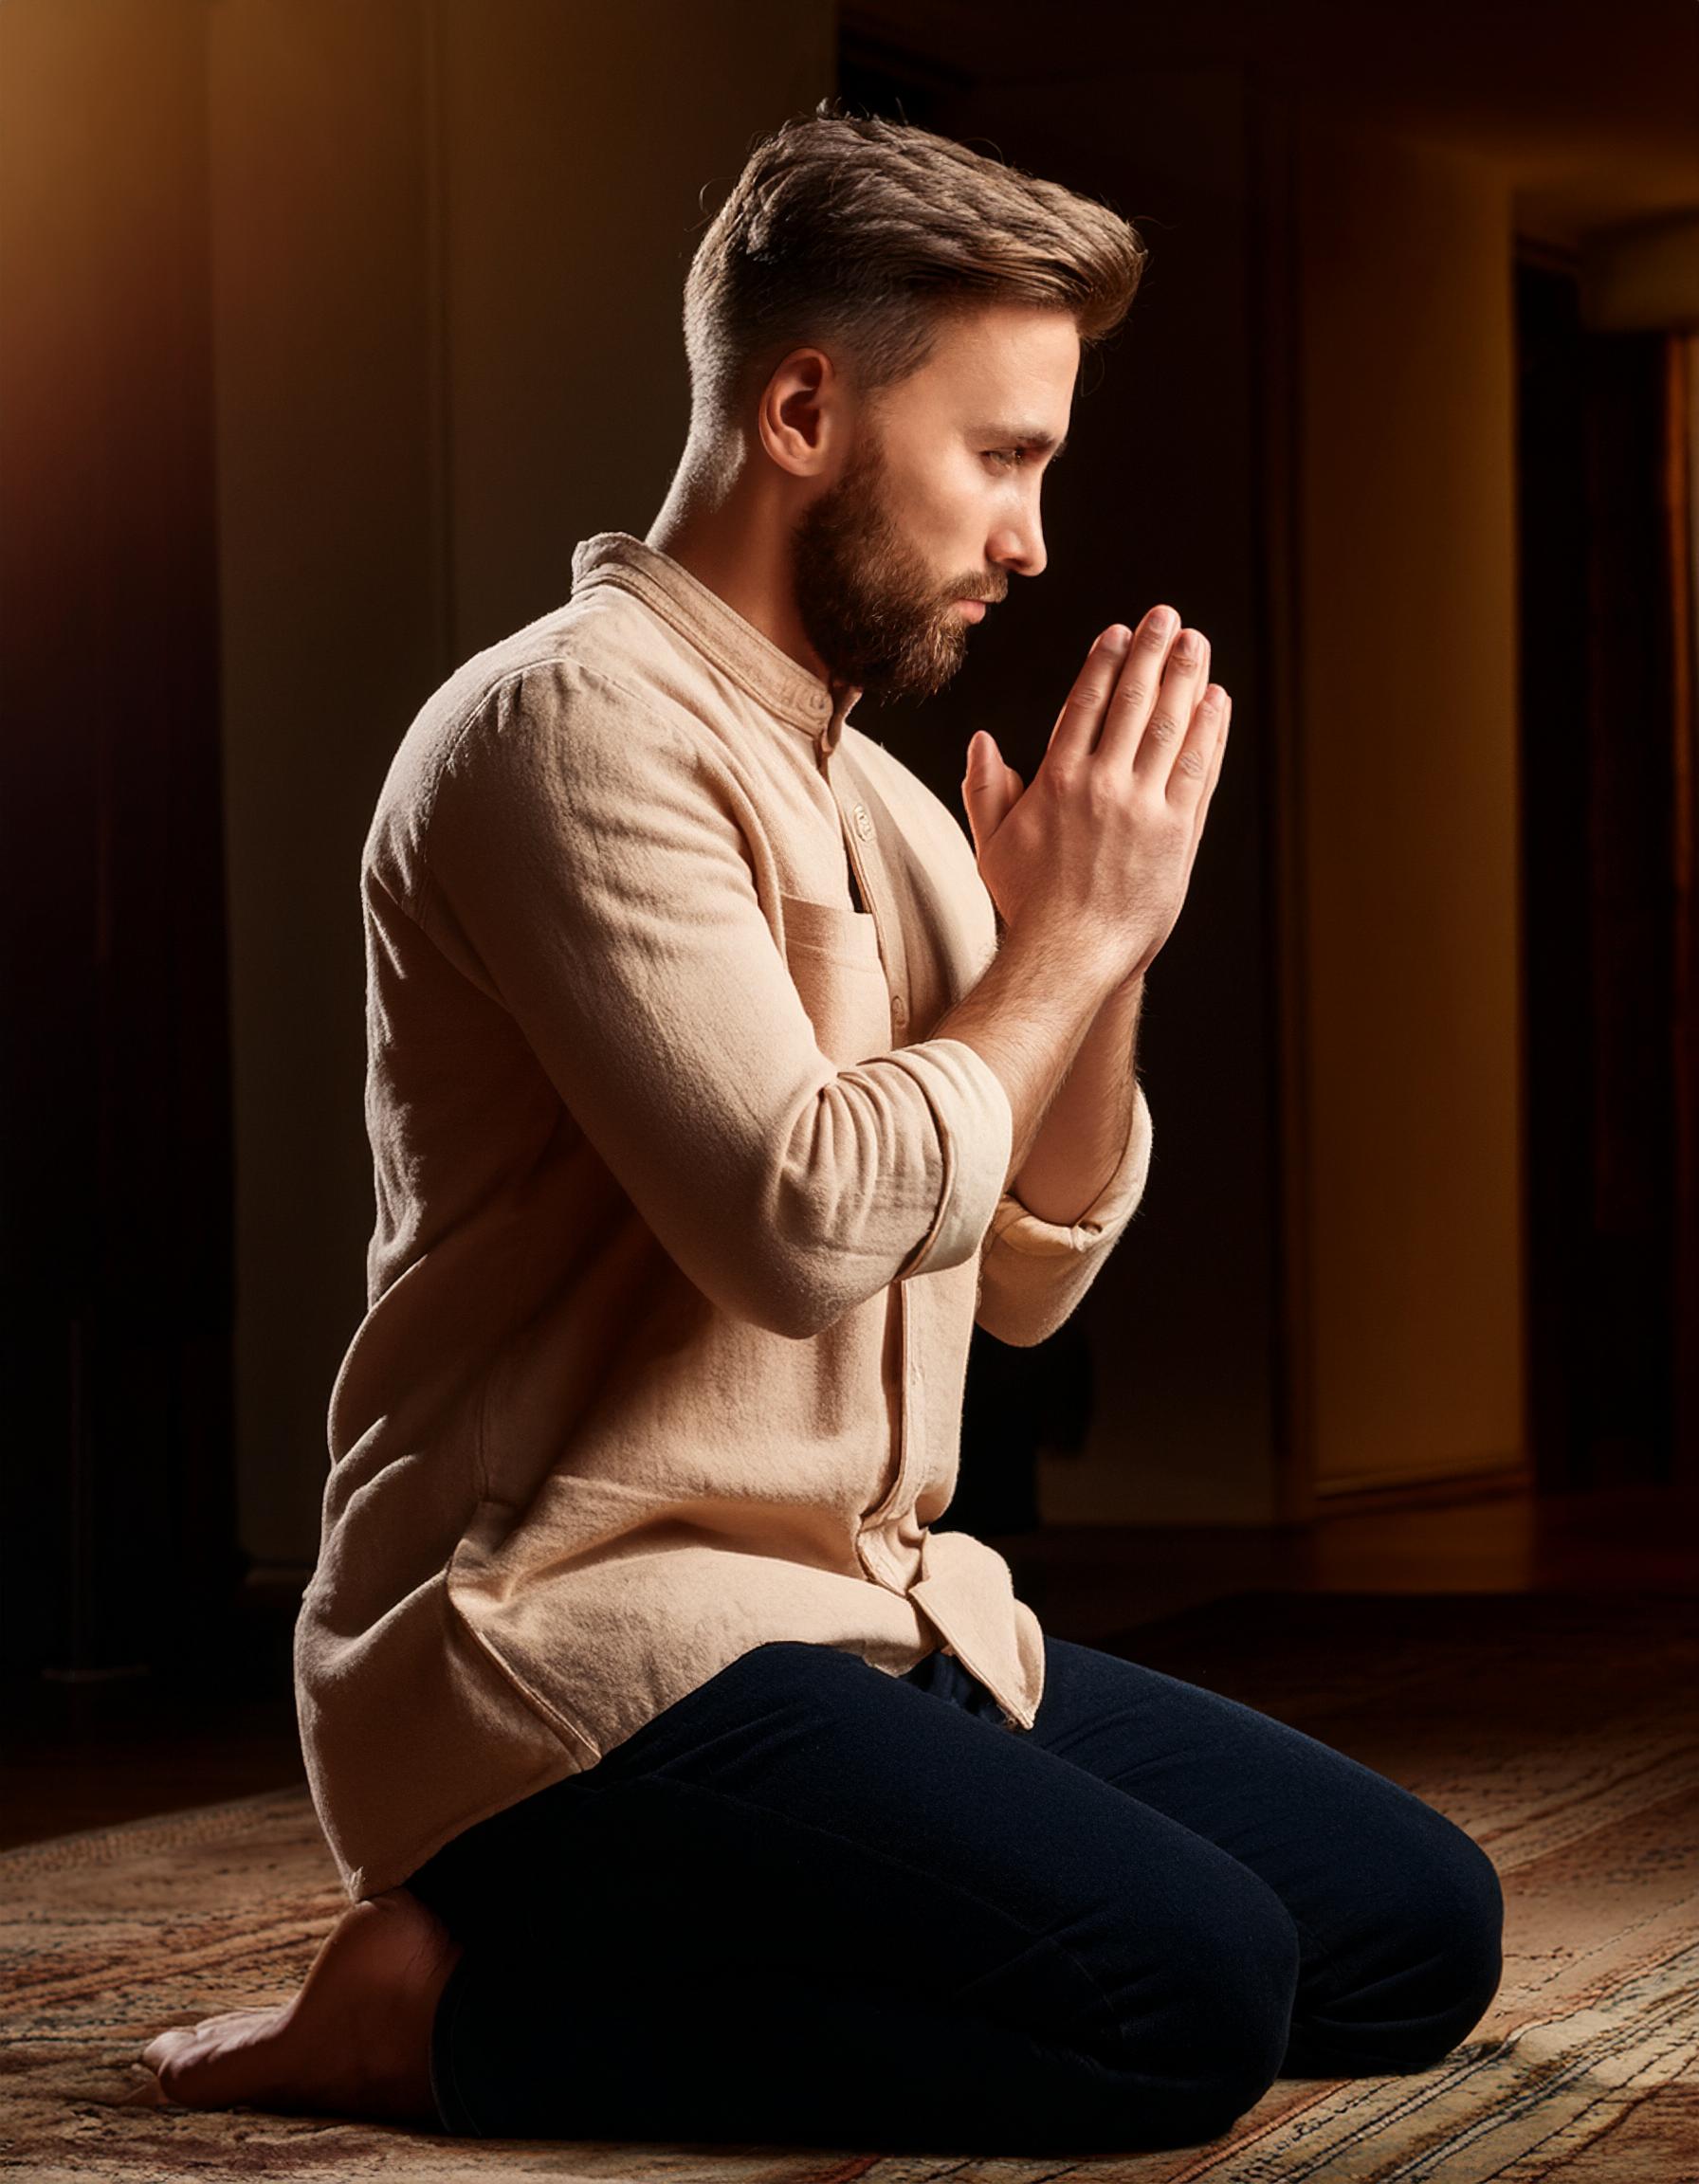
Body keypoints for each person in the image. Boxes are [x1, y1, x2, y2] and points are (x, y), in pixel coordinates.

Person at [137, 99, 1504, 2149]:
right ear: (799, 413)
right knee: (1185, 2005)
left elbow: (1031, 1273)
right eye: (1001, 457)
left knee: (1413, 1936)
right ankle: (434, 2020)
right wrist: (1060, 948)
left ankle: (722, 1940)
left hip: (870, 1615)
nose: (1032, 536)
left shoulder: (870, 793)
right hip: (567, 1656)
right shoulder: (557, 732)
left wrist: (1095, 950)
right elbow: (797, 1219)